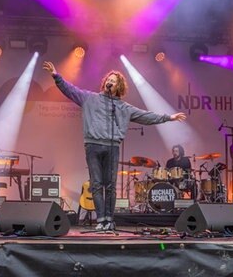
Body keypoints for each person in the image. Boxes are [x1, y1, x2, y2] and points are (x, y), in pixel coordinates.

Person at [43, 61, 187, 231]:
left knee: (110, 185)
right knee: (96, 184)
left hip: (112, 146)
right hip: (93, 146)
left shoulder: (123, 107)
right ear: (105, 83)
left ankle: (110, 220)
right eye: (108, 79)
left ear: (118, 86)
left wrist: (168, 118)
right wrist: (56, 76)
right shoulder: (89, 98)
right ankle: (101, 220)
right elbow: (70, 90)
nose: (109, 82)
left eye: (113, 80)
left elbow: (145, 116)